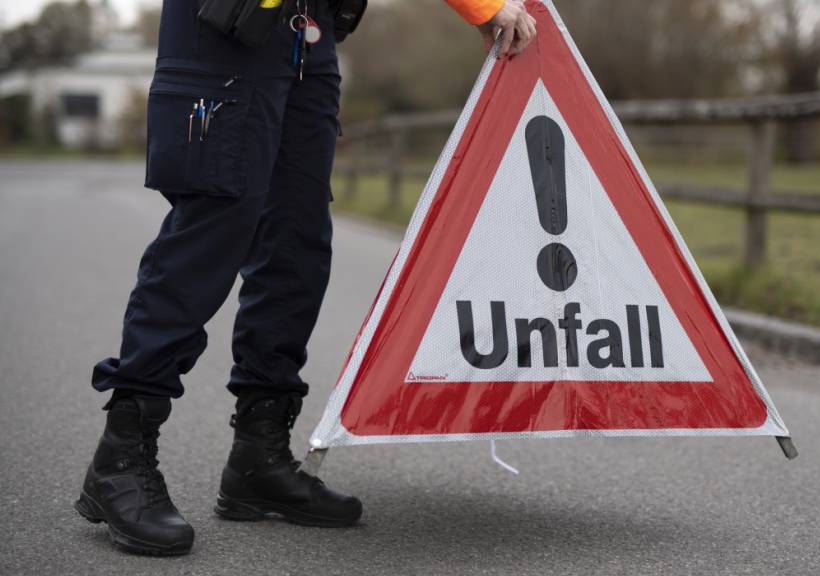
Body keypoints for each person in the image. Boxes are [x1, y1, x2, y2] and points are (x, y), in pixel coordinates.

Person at [75, 0, 537, 556]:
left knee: (297, 242)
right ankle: (122, 454)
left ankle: (259, 454)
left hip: (306, 34)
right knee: (212, 232)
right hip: (229, 25)